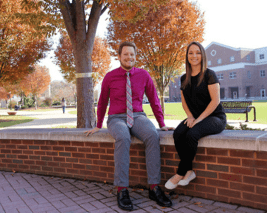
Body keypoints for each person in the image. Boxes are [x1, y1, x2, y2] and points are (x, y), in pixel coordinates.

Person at [85, 41, 173, 211]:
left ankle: (154, 187)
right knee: (123, 137)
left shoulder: (144, 75)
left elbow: (154, 100)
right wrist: (98, 124)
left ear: (135, 56)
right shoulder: (110, 76)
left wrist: (161, 124)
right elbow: (102, 101)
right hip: (116, 118)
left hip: (138, 116)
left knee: (152, 135)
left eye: (132, 54)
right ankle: (122, 190)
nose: (129, 57)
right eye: (125, 54)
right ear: (119, 57)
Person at [165, 41, 226, 190]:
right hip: (195, 117)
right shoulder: (184, 78)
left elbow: (215, 101)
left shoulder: (209, 75)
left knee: (192, 134)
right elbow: (184, 101)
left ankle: (180, 173)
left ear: (203, 55)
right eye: (191, 52)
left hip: (215, 117)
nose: (194, 56)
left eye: (198, 52)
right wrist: (190, 116)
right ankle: (189, 171)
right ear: (187, 56)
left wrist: (198, 120)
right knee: (178, 133)